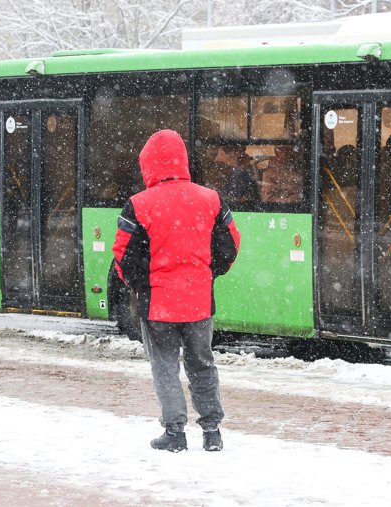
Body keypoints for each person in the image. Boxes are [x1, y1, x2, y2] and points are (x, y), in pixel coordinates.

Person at [112, 130, 241, 453]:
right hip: (199, 301)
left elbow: (123, 256)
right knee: (202, 363)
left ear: (148, 165)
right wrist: (207, 274)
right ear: (182, 160)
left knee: (165, 366)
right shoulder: (210, 199)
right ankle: (211, 431)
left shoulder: (139, 205)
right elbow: (230, 245)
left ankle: (175, 433)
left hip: (158, 304)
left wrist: (141, 283)